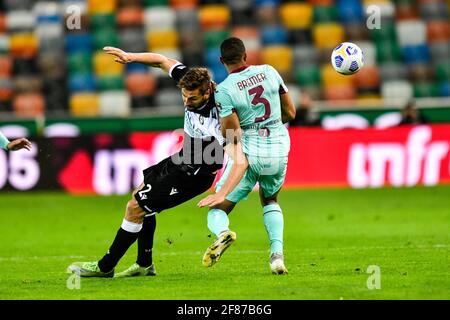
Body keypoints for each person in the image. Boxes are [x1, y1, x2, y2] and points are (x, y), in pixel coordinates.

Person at [67, 47, 247, 278]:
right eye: (184, 96)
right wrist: (131, 58)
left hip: (195, 173)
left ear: (207, 93)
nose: (186, 101)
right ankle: (144, 264)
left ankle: (105, 267)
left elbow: (239, 160)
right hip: (184, 158)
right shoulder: (192, 80)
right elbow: (163, 61)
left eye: (192, 98)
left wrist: (222, 194)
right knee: (139, 196)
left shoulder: (224, 113)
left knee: (135, 207)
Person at [197, 37, 296, 275]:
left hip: (250, 151)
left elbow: (232, 134)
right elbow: (290, 112)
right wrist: (269, 124)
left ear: (222, 61)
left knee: (218, 209)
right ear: (246, 55)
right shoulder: (269, 71)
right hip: (278, 147)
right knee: (270, 200)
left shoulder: (224, 90)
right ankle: (276, 256)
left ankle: (223, 234)